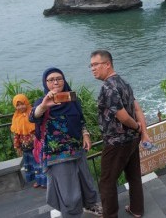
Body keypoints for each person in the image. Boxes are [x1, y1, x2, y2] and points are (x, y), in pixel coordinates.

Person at [30, 67, 102, 217]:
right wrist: (44, 105)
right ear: (45, 83)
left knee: (86, 183)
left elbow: (80, 119)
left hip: (77, 150)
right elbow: (33, 117)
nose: (56, 82)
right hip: (58, 157)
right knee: (69, 194)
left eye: (59, 78)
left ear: (64, 80)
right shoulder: (41, 103)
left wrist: (86, 134)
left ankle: (90, 205)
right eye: (51, 80)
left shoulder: (71, 99)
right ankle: (72, 215)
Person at [90, 50, 151, 218]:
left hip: (116, 143)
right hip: (131, 141)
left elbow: (123, 116)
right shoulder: (124, 83)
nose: (92, 69)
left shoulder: (108, 87)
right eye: (91, 65)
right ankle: (137, 209)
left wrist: (138, 128)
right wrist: (142, 132)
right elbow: (137, 108)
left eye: (96, 64)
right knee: (133, 176)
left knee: (107, 182)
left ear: (107, 64)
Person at [10, 94, 39, 185]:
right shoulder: (16, 117)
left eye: (22, 104)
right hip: (25, 146)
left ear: (26, 102)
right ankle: (35, 179)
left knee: (38, 162)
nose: (20, 107)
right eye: (17, 105)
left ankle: (41, 180)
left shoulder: (33, 113)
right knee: (30, 163)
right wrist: (17, 146)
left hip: (36, 145)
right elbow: (16, 134)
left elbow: (39, 128)